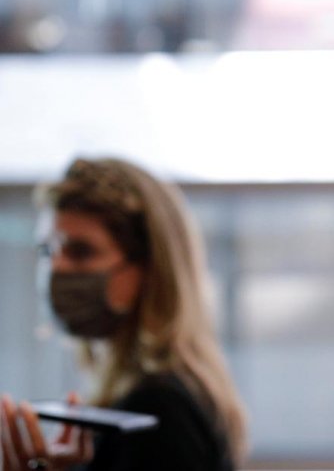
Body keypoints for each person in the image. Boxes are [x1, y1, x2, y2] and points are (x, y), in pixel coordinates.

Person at [1, 158, 247, 470]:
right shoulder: (141, 398)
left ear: (149, 269)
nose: (57, 268)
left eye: (81, 251)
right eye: (48, 250)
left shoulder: (158, 410)